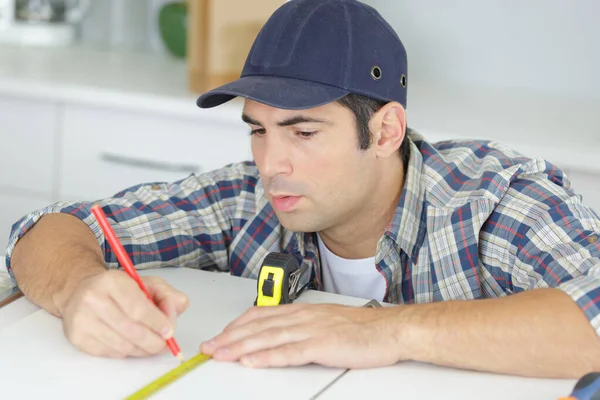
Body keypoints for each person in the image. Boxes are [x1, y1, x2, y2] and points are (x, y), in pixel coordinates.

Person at [5, 0, 600, 379]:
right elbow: (50, 228)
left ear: (386, 129)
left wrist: (388, 330)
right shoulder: (246, 199)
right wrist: (79, 288)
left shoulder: (492, 200)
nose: (271, 163)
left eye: (304, 131)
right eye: (258, 131)